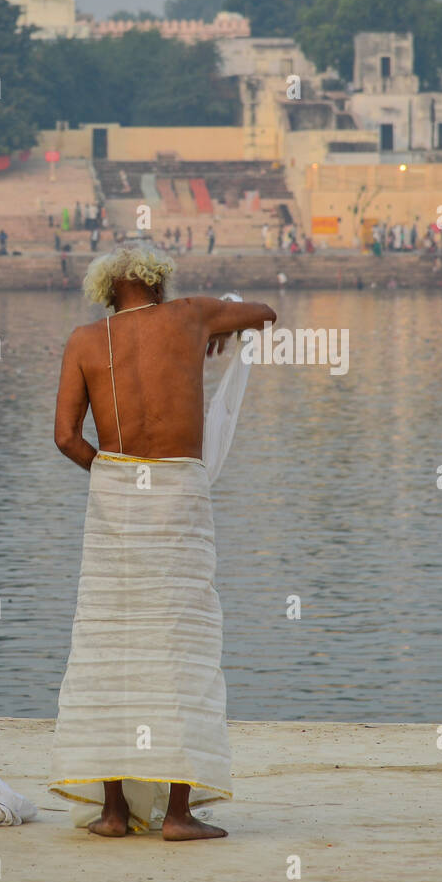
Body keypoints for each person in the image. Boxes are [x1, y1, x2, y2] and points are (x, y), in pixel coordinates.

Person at [50, 244, 276, 840]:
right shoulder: (189, 316)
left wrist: (114, 472)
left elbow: (66, 438)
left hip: (115, 493)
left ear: (105, 291)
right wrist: (218, 325)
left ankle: (114, 813)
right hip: (178, 491)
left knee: (109, 644)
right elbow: (265, 313)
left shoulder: (82, 340)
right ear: (157, 283)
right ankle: (178, 815)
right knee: (182, 645)